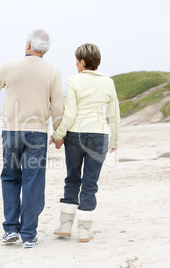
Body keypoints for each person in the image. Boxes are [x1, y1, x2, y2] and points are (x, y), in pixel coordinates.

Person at [0, 29, 64, 248]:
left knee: (10, 178)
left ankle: (10, 229)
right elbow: (57, 106)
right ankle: (28, 234)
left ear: (28, 45)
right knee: (33, 181)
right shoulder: (53, 71)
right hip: (37, 133)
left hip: (11, 132)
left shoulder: (10, 66)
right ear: (45, 50)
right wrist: (58, 132)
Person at [50, 43, 120, 242]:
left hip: (75, 136)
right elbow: (114, 115)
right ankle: (84, 229)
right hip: (99, 137)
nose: (75, 64)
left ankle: (65, 225)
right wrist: (115, 139)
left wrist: (58, 134)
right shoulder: (108, 82)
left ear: (82, 61)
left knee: (72, 178)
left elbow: (70, 113)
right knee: (90, 182)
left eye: (76, 61)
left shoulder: (74, 81)